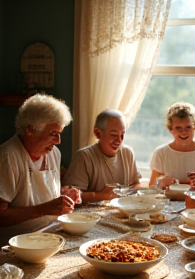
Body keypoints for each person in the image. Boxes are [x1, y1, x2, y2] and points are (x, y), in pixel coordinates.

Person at [0, 94, 81, 246]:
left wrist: (64, 197)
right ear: (30, 130)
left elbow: (42, 195)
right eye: (53, 134)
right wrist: (46, 208)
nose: (58, 141)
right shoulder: (8, 156)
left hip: (51, 234)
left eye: (59, 134)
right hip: (16, 244)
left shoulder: (53, 153)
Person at [62, 109, 141, 203]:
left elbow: (136, 184)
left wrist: (128, 192)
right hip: (88, 216)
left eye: (122, 134)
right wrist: (100, 195)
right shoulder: (84, 157)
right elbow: (69, 196)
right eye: (114, 135)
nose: (119, 140)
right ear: (98, 133)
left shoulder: (128, 153)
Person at [149, 102, 195, 191]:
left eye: (188, 127)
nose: (183, 132)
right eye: (178, 128)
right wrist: (160, 183)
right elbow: (152, 186)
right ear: (170, 129)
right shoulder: (160, 152)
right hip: (167, 203)